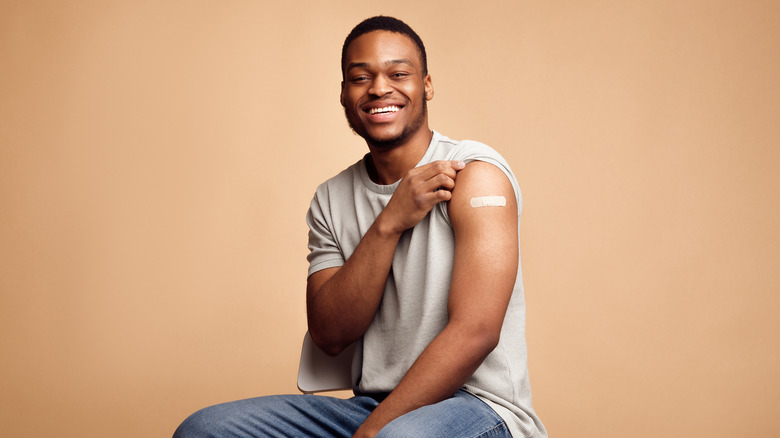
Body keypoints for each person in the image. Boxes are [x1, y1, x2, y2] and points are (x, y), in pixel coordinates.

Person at [174, 16, 546, 438]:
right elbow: (330, 335)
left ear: (426, 85)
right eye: (360, 77)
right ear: (344, 94)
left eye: (398, 73)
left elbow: (476, 331)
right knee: (204, 430)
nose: (379, 88)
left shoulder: (475, 173)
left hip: (479, 407)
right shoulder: (331, 199)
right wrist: (389, 222)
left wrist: (372, 432)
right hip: (374, 405)